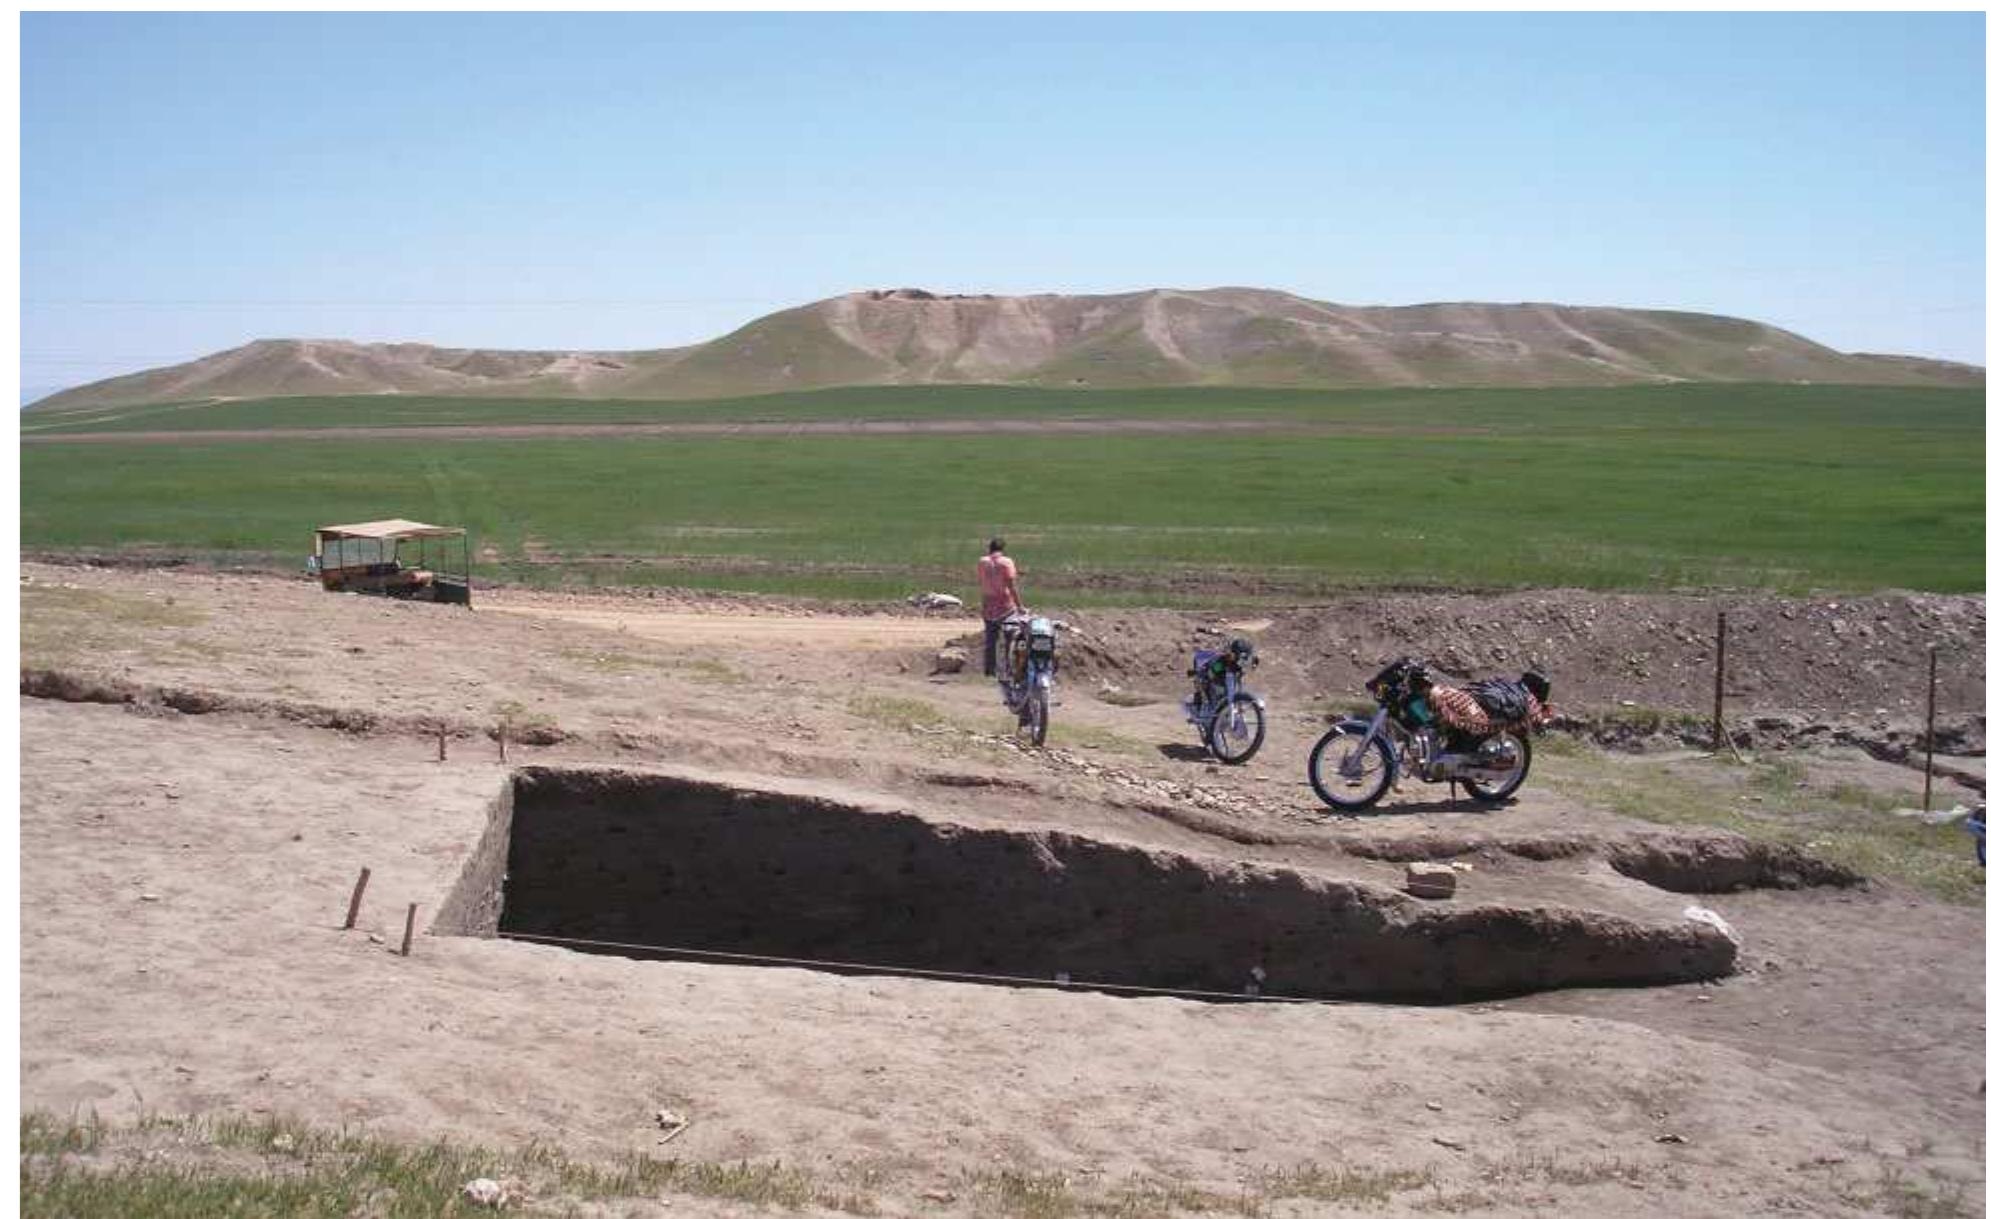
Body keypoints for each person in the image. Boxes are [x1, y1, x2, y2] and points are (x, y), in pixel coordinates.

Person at [977, 537, 1022, 677]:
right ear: (1002, 549)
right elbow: (1011, 585)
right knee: (1010, 638)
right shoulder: (1006, 562)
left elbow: (981, 579)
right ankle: (1009, 668)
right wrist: (1020, 605)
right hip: (1005, 604)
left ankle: (990, 670)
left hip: (988, 603)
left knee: (991, 639)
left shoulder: (982, 562)